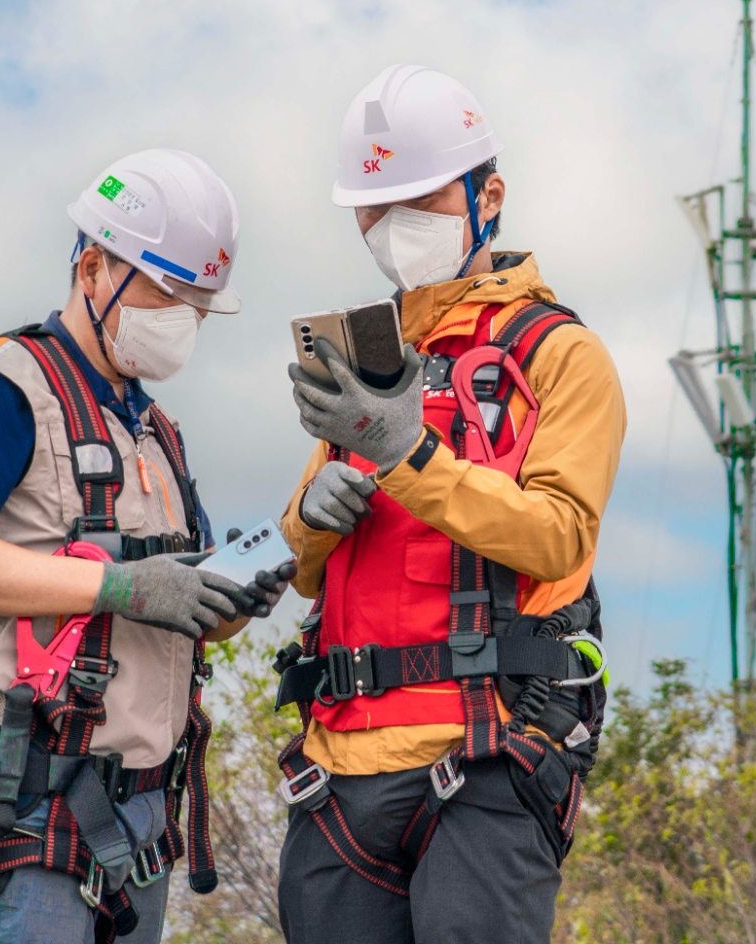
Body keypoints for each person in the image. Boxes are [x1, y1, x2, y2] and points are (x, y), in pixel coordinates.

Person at [0, 148, 296, 944]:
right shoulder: (0, 390)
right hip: (30, 809)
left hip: (139, 819)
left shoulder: (154, 430)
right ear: (91, 269)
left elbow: (185, 613)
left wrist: (237, 596)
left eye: (199, 302)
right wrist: (120, 588)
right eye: (168, 291)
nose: (183, 316)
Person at [272, 65, 627, 942]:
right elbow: (306, 572)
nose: (392, 228)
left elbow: (558, 536)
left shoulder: (561, 354)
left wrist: (408, 454)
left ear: (489, 195)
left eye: (418, 201)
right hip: (339, 769)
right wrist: (312, 516)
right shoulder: (365, 355)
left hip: (491, 754)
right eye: (373, 206)